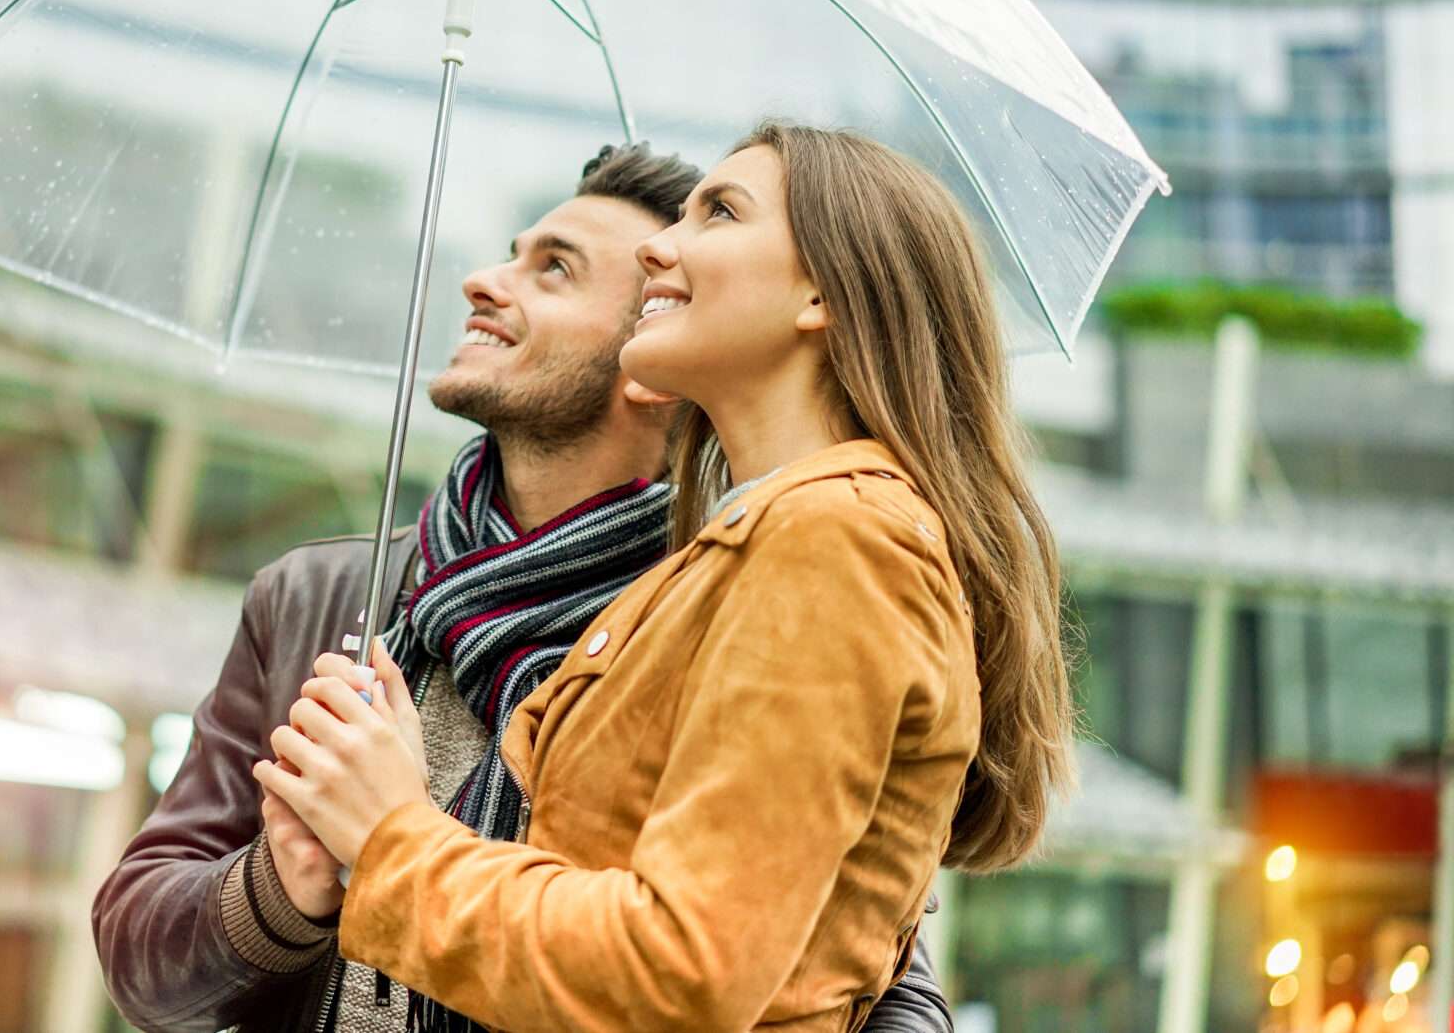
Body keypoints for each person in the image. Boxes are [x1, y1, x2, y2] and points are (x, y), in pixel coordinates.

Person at [92, 141, 954, 1032]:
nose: (483, 282)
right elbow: (137, 952)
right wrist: (285, 883)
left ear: (650, 365)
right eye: (514, 253)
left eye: (554, 272)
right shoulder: (324, 593)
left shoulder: (735, 599)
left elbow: (860, 969)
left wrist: (390, 839)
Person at [261, 124, 1076, 1031]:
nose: (657, 245)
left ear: (823, 294)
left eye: (720, 212)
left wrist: (390, 836)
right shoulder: (739, 547)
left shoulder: (838, 541)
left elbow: (684, 970)